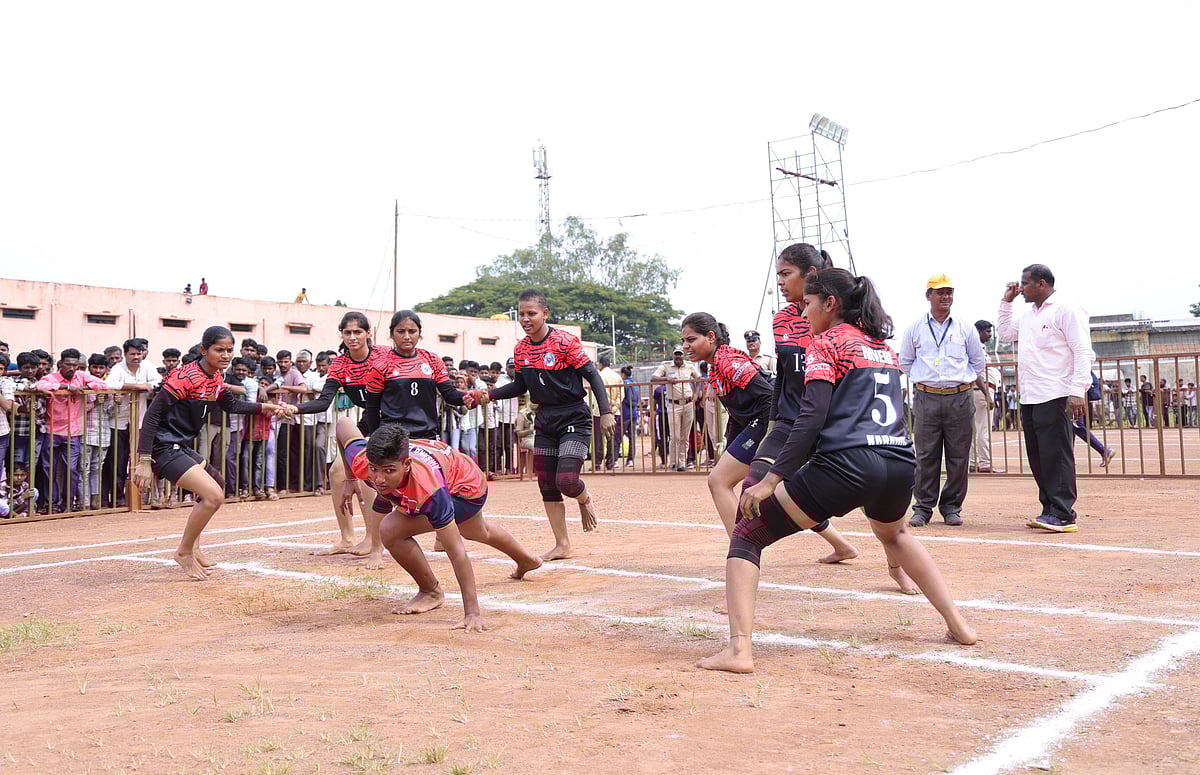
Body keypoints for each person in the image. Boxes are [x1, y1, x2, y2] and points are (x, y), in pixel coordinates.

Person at [701, 268, 976, 674]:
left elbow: (811, 416)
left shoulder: (826, 342)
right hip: (899, 462)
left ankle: (739, 650)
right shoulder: (882, 346)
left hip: (848, 463)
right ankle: (958, 624)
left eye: (809, 304)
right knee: (896, 535)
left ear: (830, 304)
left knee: (747, 534)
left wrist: (772, 478)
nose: (803, 312)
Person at [739, 244, 883, 573]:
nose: (780, 281)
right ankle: (741, 568)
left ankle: (896, 565)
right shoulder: (781, 320)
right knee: (752, 489)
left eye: (786, 274)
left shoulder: (841, 319)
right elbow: (783, 374)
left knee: (877, 510)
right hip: (791, 422)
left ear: (811, 275)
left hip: (836, 428)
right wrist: (774, 421)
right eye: (778, 274)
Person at [335, 420, 543, 630]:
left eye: (389, 470)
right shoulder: (362, 460)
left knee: (390, 530)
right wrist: (350, 479)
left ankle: (431, 592)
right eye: (374, 469)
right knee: (477, 530)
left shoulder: (429, 490)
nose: (379, 479)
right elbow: (343, 425)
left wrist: (472, 613)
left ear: (406, 464)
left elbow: (456, 552)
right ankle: (526, 559)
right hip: (457, 470)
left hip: (465, 490)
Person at [132, 326, 289, 578]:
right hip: (162, 446)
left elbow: (232, 405)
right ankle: (184, 552)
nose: (225, 355)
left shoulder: (215, 376)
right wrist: (144, 460)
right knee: (214, 496)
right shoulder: (185, 377)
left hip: (180, 445)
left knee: (217, 482)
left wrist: (266, 407)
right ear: (204, 350)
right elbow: (152, 416)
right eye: (219, 350)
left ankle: (193, 547)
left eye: (229, 350)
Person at [471, 288, 615, 561]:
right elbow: (519, 385)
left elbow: (592, 375)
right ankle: (562, 544)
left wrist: (605, 412)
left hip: (574, 416)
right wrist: (489, 395)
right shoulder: (521, 349)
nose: (526, 319)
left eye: (532, 313)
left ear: (545, 313)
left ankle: (583, 497)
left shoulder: (565, 341)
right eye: (522, 314)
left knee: (566, 480)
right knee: (547, 484)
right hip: (545, 419)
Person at [997, 263, 1093, 533]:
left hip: (1056, 393)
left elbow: (1082, 350)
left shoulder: (1066, 309)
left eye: (1025, 283)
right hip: (1030, 395)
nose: (1021, 289)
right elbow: (1005, 334)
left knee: (1057, 454)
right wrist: (1006, 303)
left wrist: (1078, 390)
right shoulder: (1029, 316)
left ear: (1041, 284)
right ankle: (1049, 508)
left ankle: (1063, 513)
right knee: (1038, 455)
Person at [292, 311, 389, 562]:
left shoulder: (384, 355)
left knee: (366, 468)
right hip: (370, 421)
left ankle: (373, 538)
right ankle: (347, 537)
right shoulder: (340, 364)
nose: (353, 337)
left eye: (358, 332)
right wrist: (294, 408)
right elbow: (324, 401)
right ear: (342, 335)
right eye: (348, 332)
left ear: (368, 333)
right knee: (337, 471)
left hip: (394, 420)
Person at [898, 274, 987, 527]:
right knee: (926, 455)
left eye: (949, 292)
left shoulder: (964, 327)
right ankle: (923, 508)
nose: (945, 297)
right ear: (928, 296)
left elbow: (977, 362)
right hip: (926, 397)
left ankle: (952, 507)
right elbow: (905, 362)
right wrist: (924, 380)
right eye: (940, 292)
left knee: (959, 456)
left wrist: (960, 381)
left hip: (959, 397)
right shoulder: (915, 328)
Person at [35, 349, 109, 512]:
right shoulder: (51, 377)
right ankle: (52, 504)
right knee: (49, 470)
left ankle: (67, 504)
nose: (72, 368)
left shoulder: (81, 376)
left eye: (75, 365)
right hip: (52, 431)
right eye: (68, 364)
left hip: (73, 433)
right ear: (60, 364)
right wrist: (65, 387)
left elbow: (103, 384)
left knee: (71, 470)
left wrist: (84, 387)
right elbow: (40, 385)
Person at [104, 338, 160, 508]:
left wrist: (142, 387)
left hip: (140, 421)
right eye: (133, 354)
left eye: (139, 353)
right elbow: (109, 384)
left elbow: (158, 383)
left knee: (140, 460)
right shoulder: (118, 368)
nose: (136, 357)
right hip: (118, 421)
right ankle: (118, 497)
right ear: (125, 354)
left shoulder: (148, 366)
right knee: (118, 462)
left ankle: (140, 498)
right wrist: (137, 387)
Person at [650, 348, 701, 471]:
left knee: (685, 436)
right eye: (676, 354)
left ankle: (682, 462)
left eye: (680, 354)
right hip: (673, 404)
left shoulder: (689, 366)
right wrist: (667, 379)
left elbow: (699, 379)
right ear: (673, 355)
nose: (678, 357)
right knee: (675, 436)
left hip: (688, 403)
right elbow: (653, 378)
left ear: (684, 356)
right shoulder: (666, 366)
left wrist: (696, 394)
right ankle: (673, 462)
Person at [969, 321, 1002, 473]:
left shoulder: (978, 348)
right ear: (979, 332)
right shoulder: (977, 349)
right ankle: (984, 463)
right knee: (983, 429)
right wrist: (987, 395)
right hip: (983, 390)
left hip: (980, 390)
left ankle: (974, 462)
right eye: (987, 332)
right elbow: (976, 373)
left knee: (977, 429)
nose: (989, 335)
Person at [1073, 372, 1116, 467]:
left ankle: (1104, 451)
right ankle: (1069, 458)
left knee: (1076, 426)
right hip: (1074, 395)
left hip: (1074, 396)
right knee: (1071, 428)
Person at [620, 365, 639, 467]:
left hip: (625, 412)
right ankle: (630, 459)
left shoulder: (623, 384)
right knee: (632, 437)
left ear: (623, 374)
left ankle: (614, 460)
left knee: (618, 436)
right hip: (634, 412)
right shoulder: (635, 383)